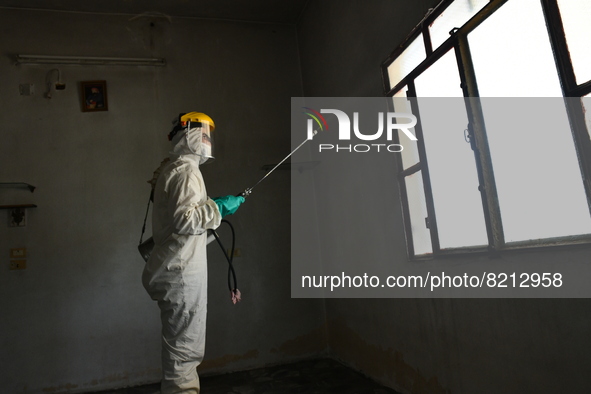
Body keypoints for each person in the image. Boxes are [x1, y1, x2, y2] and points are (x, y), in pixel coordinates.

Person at [142, 112, 245, 394]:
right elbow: (185, 220)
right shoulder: (185, 171)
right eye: (205, 135)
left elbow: (182, 228)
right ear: (190, 135)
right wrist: (219, 208)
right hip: (181, 275)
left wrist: (213, 211)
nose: (208, 141)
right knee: (184, 354)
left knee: (182, 350)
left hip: (177, 268)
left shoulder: (177, 168)